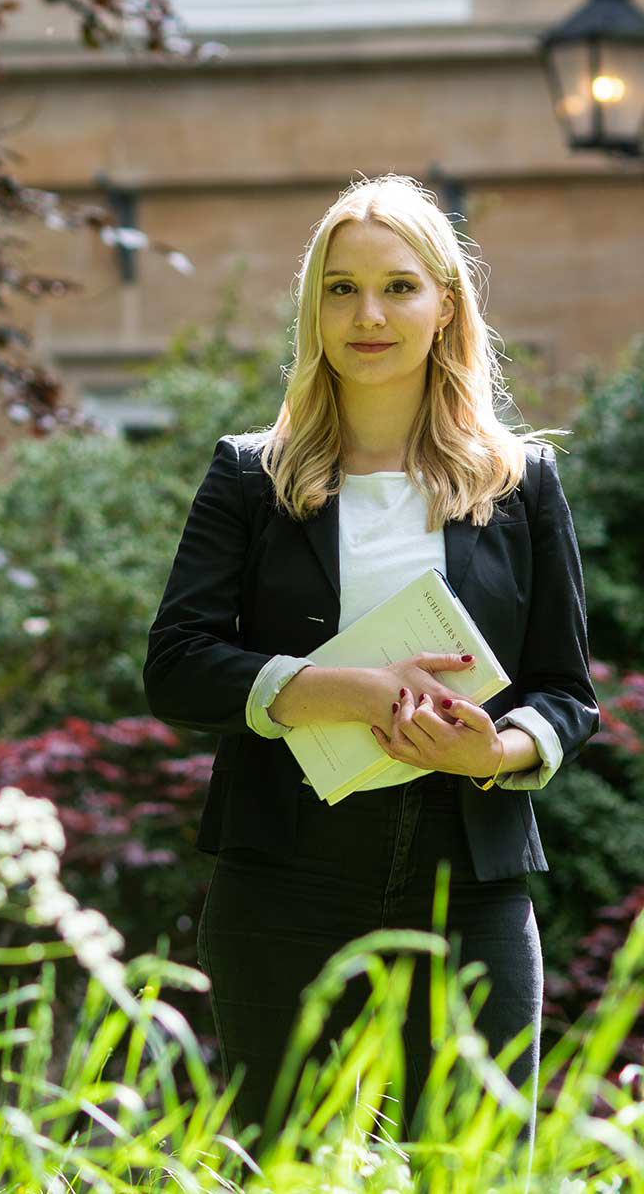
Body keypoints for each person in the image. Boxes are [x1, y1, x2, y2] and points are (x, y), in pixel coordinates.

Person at [143, 174, 599, 1144]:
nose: (369, 314)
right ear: (314, 310)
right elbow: (177, 663)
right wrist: (343, 689)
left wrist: (501, 751)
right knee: (286, 1163)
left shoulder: (522, 484)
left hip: (466, 887)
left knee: (473, 1166)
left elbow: (565, 691)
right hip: (283, 885)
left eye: (397, 286)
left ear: (445, 304)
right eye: (341, 288)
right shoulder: (250, 477)